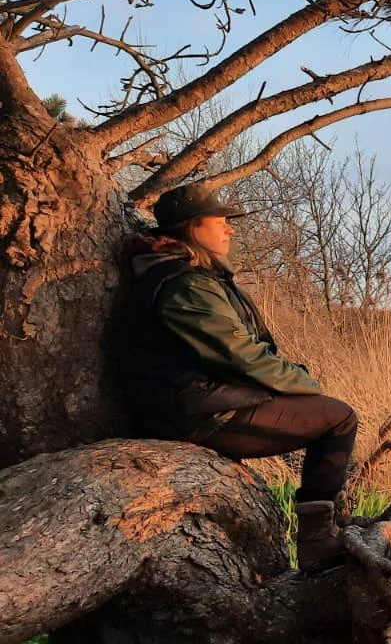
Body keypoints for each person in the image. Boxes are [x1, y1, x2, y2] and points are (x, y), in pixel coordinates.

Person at [117, 182, 358, 571]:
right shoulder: (184, 284)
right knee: (338, 417)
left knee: (325, 411)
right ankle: (316, 542)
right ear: (193, 228)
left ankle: (328, 529)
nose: (230, 229)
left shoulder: (192, 276)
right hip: (189, 412)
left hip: (194, 403)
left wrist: (295, 383)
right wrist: (306, 384)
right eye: (221, 221)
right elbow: (242, 357)